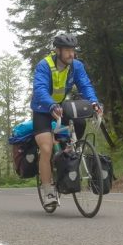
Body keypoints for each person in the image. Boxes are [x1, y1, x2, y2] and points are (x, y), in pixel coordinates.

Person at [30, 33, 102, 206]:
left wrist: (94, 102)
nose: (71, 54)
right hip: (42, 108)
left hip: (62, 106)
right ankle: (48, 191)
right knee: (46, 149)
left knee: (79, 121)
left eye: (73, 50)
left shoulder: (76, 66)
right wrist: (51, 105)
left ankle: (67, 150)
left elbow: (85, 85)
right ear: (58, 50)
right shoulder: (44, 65)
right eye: (67, 51)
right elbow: (39, 89)